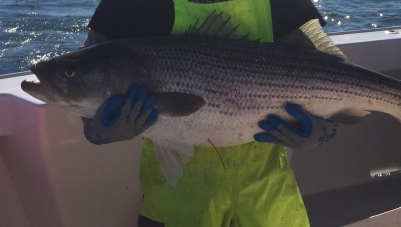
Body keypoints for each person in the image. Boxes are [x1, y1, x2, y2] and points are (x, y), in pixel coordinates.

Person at [81, 0, 338, 226]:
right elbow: (84, 73)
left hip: (270, 197)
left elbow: (335, 73)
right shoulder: (127, 4)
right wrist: (96, 130)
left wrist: (326, 129)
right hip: (178, 202)